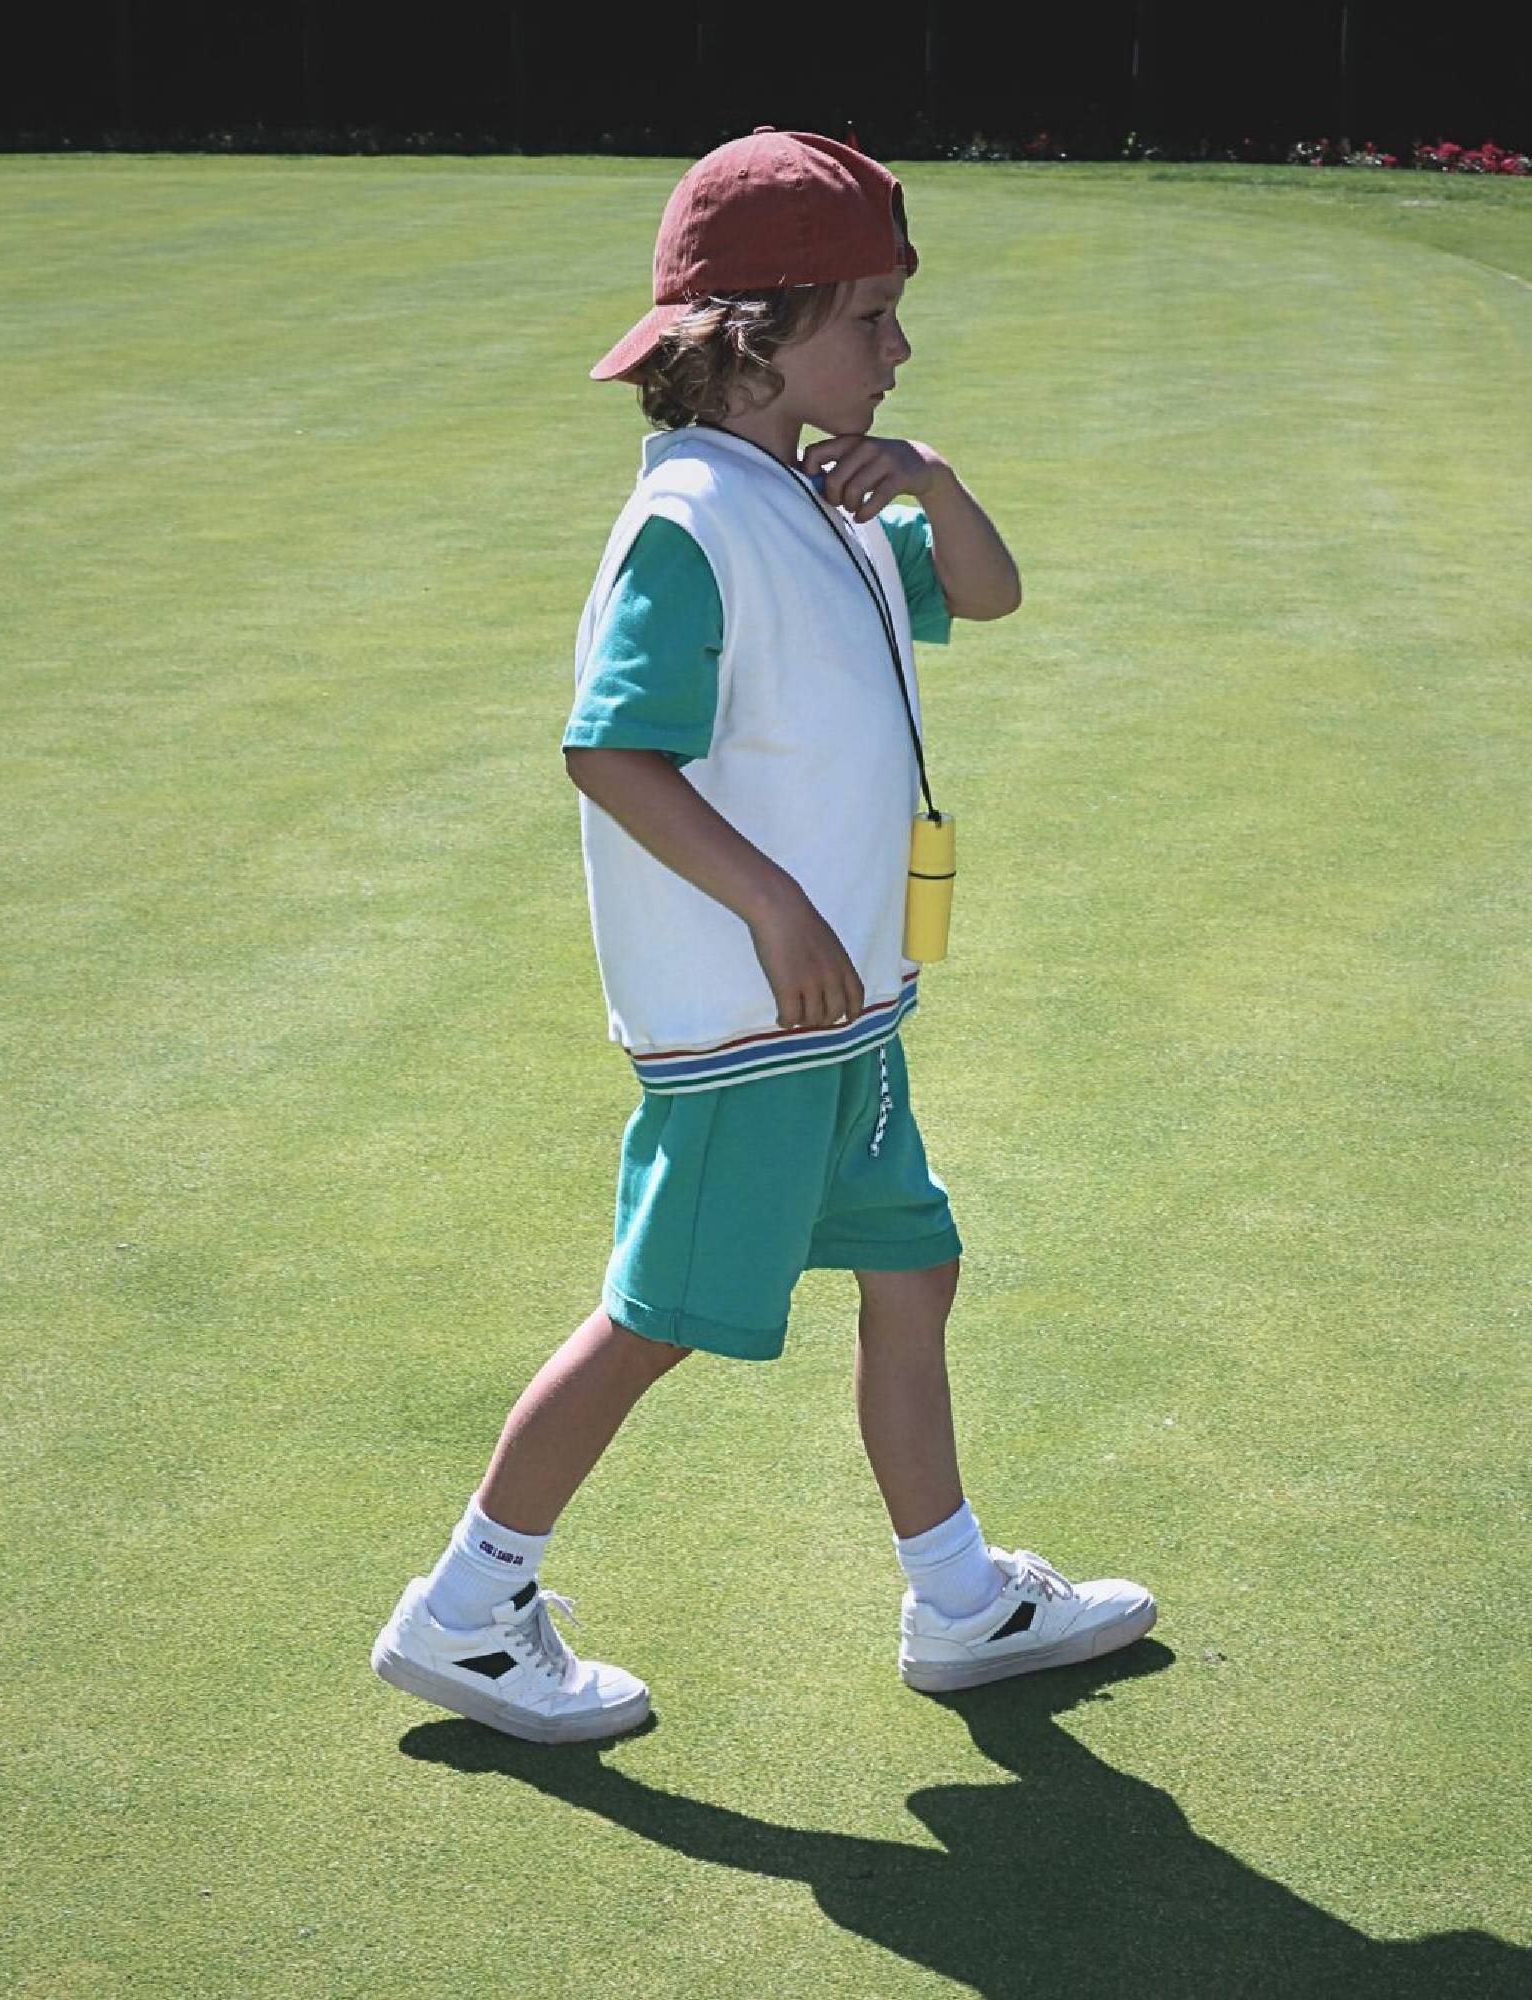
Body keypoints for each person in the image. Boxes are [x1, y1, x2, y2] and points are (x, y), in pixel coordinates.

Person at [372, 128, 1155, 1745]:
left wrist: (928, 477)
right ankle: (464, 1609)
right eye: (869, 319)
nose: (898, 347)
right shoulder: (694, 522)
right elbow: (610, 747)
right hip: (752, 1018)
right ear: (760, 333)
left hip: (840, 1020)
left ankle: (956, 1600)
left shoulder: (820, 499)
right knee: (659, 1315)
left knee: (911, 1266)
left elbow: (989, 596)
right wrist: (778, 902)